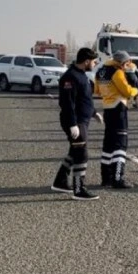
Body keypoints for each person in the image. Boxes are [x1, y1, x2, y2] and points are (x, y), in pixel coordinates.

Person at [52, 48, 102, 200]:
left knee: (75, 151)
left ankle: (60, 181)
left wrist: (93, 113)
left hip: (82, 120)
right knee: (81, 153)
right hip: (75, 121)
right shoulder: (70, 77)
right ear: (86, 61)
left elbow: (84, 99)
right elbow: (67, 103)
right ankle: (79, 189)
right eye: (93, 61)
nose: (95, 64)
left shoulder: (82, 76)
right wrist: (73, 124)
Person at [95, 50, 138, 189]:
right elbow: (126, 91)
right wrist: (136, 91)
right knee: (120, 144)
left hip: (107, 108)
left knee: (108, 144)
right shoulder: (117, 72)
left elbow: (97, 91)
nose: (128, 65)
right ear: (121, 62)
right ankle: (118, 178)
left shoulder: (100, 71)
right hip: (119, 108)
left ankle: (106, 178)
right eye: (127, 63)